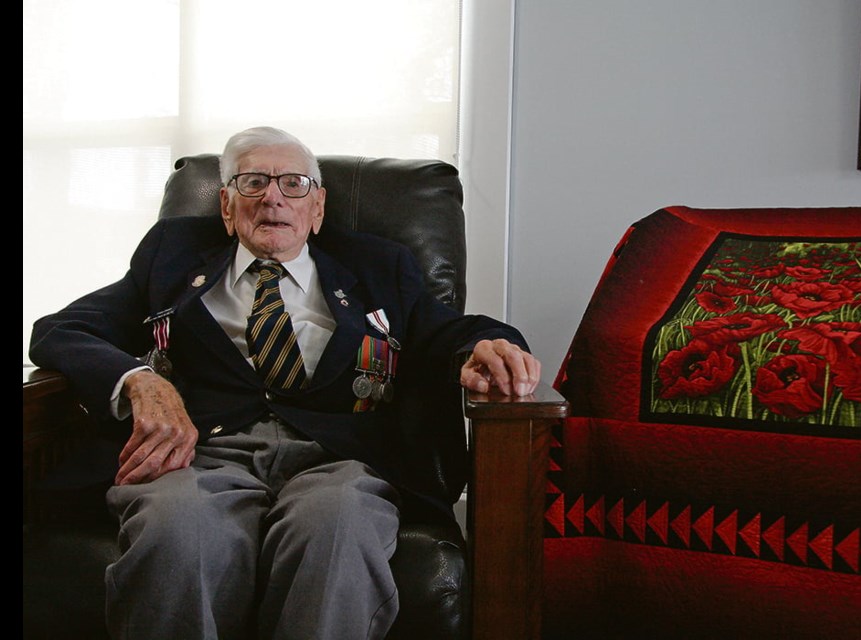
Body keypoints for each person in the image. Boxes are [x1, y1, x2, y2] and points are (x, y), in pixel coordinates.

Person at [29, 126, 541, 640]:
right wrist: (140, 380)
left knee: (337, 526)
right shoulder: (174, 254)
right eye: (252, 182)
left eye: (294, 183)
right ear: (227, 207)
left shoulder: (379, 265)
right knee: (175, 527)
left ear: (317, 208)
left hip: (337, 456)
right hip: (202, 454)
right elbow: (61, 330)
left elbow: (447, 330)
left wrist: (489, 346)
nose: (273, 196)